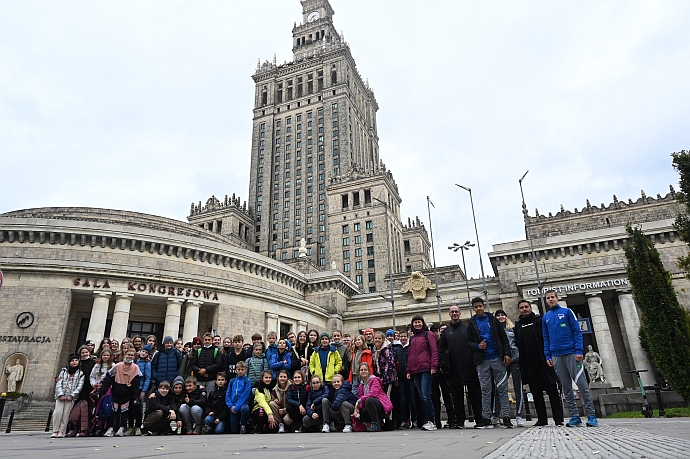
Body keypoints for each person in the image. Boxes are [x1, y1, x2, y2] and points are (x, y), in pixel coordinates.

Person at [542, 290, 598, 427]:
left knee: (582, 385)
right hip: (556, 356)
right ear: (546, 300)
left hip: (572, 353)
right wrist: (547, 355)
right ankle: (575, 416)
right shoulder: (546, 317)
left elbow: (577, 331)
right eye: (548, 298)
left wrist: (579, 350)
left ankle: (591, 415)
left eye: (552, 297)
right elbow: (546, 337)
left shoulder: (567, 312)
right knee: (566, 388)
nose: (550, 300)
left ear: (557, 298)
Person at [514, 299, 564, 427]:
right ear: (519, 310)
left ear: (530, 308)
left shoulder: (539, 321)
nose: (524, 309)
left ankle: (558, 419)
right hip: (529, 365)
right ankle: (542, 419)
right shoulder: (518, 326)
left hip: (544, 362)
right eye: (522, 308)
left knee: (552, 391)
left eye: (526, 307)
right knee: (536, 393)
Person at [467, 297, 513, 429]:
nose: (479, 308)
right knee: (485, 390)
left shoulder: (493, 320)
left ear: (484, 306)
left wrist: (507, 354)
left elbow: (503, 338)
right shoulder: (471, 323)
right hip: (482, 361)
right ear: (473, 308)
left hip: (497, 358)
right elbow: (468, 342)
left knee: (502, 389)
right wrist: (477, 346)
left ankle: (506, 417)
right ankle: (486, 417)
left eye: (480, 306)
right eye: (476, 307)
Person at [439, 305, 484, 429]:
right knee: (457, 397)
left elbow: (475, 346)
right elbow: (441, 350)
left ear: (460, 313)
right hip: (453, 369)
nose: (454, 314)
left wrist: (477, 363)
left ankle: (479, 419)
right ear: (449, 314)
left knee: (475, 395)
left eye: (456, 312)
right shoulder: (446, 332)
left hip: (469, 366)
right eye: (452, 312)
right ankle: (459, 421)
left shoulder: (468, 328)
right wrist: (441, 365)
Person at [100, 347, 142, 437]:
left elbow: (136, 383)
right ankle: (111, 428)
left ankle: (121, 428)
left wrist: (135, 397)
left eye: (132, 355)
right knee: (113, 410)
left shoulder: (136, 368)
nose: (130, 357)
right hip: (116, 389)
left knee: (124, 411)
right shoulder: (117, 366)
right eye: (128, 354)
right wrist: (101, 391)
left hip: (127, 391)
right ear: (124, 355)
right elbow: (108, 378)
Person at [493, 309, 525, 427]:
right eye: (498, 315)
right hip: (502, 362)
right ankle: (496, 414)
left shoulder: (513, 328)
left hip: (515, 360)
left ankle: (519, 415)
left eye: (502, 315)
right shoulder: (494, 330)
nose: (500, 317)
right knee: (499, 388)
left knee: (518, 388)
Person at [406, 315, 438, 431]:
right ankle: (428, 420)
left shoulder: (428, 334)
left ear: (422, 323)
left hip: (426, 368)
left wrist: (434, 366)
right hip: (415, 370)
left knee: (425, 395)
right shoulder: (412, 338)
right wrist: (408, 370)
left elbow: (434, 350)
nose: (417, 324)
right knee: (421, 396)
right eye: (415, 322)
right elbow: (410, 354)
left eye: (419, 322)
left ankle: (431, 420)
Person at [51, 354, 84, 438]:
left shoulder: (80, 373)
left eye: (76, 360)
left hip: (71, 397)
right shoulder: (63, 372)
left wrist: (72, 395)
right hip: (61, 396)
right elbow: (59, 383)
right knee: (57, 412)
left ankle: (61, 431)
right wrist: (60, 394)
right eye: (72, 361)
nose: (74, 362)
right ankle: (55, 430)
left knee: (66, 414)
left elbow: (79, 386)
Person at [353, 362, 393, 432]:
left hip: (383, 408)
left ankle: (376, 424)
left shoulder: (374, 380)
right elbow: (361, 402)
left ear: (369, 371)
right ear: (359, 372)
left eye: (365, 370)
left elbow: (373, 394)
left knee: (369, 400)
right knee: (362, 411)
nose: (363, 371)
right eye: (361, 370)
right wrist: (357, 410)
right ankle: (373, 423)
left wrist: (359, 401)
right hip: (372, 408)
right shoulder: (361, 385)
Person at [430, 324, 455, 429]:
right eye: (433, 331)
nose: (435, 333)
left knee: (447, 397)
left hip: (443, 373)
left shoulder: (443, 342)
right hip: (433, 374)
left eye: (437, 331)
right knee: (435, 398)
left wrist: (444, 368)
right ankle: (437, 421)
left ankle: (452, 420)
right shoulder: (430, 343)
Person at [66, 345, 95, 437]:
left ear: (89, 353)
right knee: (74, 411)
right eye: (82, 353)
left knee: (86, 411)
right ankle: (72, 429)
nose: (85, 354)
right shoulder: (78, 363)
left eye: (86, 352)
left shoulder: (93, 363)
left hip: (89, 389)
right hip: (78, 390)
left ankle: (85, 430)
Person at [395, 330, 417, 428]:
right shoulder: (396, 348)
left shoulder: (411, 347)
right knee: (402, 399)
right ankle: (404, 420)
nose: (403, 338)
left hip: (410, 377)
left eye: (405, 336)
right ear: (399, 337)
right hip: (400, 377)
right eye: (401, 336)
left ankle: (415, 420)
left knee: (412, 399)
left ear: (407, 337)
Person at [129, 344, 152, 435]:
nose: (143, 353)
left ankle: (138, 426)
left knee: (138, 408)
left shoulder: (147, 364)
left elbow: (147, 378)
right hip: (131, 387)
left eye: (146, 352)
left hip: (140, 388)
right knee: (130, 407)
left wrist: (143, 390)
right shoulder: (135, 361)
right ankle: (130, 427)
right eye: (143, 351)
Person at [226, 361, 252, 434]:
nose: (240, 371)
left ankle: (243, 424)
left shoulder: (247, 381)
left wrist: (237, 407)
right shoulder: (232, 381)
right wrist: (231, 406)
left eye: (242, 369)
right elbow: (228, 394)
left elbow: (245, 395)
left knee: (245, 409)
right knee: (234, 430)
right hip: (233, 405)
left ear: (245, 370)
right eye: (239, 369)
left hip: (242, 404)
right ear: (236, 370)